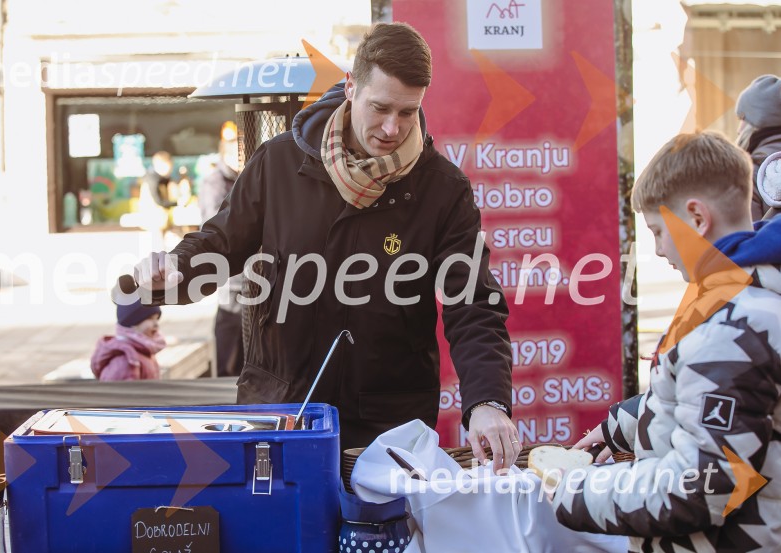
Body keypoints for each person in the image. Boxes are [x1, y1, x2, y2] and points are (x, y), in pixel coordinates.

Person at [130, 22, 517, 469]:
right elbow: (221, 241)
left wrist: (487, 401)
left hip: (388, 423)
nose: (391, 128)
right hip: (280, 408)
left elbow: (474, 305)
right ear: (351, 87)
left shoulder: (442, 189)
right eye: (380, 107)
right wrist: (177, 267)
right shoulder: (277, 162)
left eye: (407, 112)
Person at [551, 132, 781, 551]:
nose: (658, 250)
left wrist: (577, 490)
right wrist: (625, 424)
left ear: (696, 217)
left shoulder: (730, 329)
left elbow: (701, 487)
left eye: (658, 231)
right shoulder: (744, 297)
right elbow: (715, 399)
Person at [199, 122, 243, 377]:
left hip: (245, 273)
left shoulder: (240, 177)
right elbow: (214, 225)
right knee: (230, 333)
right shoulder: (215, 182)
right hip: (231, 275)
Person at [735, 74, 781, 221]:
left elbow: (748, 231)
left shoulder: (751, 170)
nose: (738, 129)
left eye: (742, 118)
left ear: (759, 121)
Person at [91, 301, 166, 381]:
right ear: (133, 323)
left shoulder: (144, 350)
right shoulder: (126, 361)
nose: (156, 324)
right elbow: (120, 388)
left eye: (157, 319)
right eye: (150, 318)